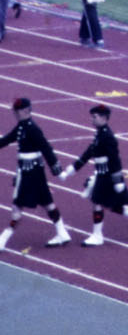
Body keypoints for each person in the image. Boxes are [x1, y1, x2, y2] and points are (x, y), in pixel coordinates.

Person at [61, 103, 128, 245]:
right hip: (102, 174)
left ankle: (97, 235)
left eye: (95, 117)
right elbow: (88, 153)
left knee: (98, 203)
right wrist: (73, 169)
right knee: (107, 204)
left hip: (107, 175)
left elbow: (115, 159)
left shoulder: (107, 136)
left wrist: (117, 180)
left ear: (103, 118)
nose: (92, 120)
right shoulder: (100, 134)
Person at [0, 96, 68, 250]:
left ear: (25, 111)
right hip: (32, 172)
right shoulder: (22, 126)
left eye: (17, 111)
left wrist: (56, 170)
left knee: (17, 207)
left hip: (30, 174)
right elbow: (6, 140)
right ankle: (62, 232)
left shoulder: (32, 129)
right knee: (47, 203)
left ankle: (3, 239)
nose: (15, 114)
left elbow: (46, 148)